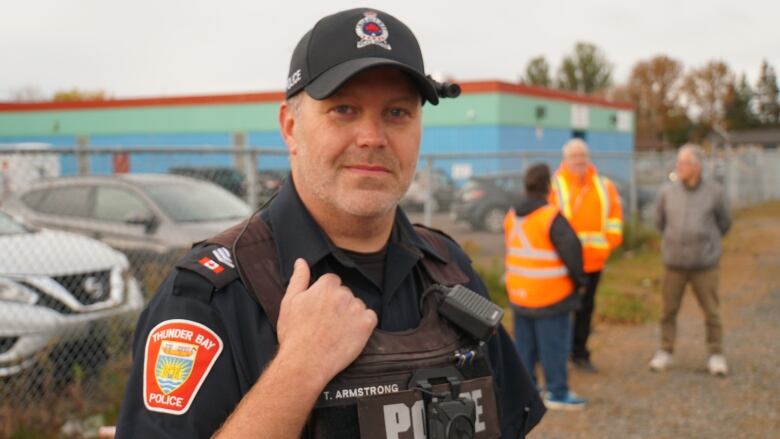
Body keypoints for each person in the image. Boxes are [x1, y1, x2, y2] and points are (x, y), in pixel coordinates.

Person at [116, 8, 544, 439]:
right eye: (343, 109)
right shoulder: (209, 297)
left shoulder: (450, 270)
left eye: (397, 113)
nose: (372, 137)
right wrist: (298, 368)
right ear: (289, 127)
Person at [504, 163, 587, 410]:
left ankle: (528, 392)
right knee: (554, 347)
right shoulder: (551, 217)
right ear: (548, 187)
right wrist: (580, 282)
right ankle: (557, 392)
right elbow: (572, 252)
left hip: (520, 293)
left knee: (524, 348)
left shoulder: (511, 215)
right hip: (551, 295)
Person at [649, 144, 731, 376]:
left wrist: (707, 246)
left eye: (684, 163)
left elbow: (724, 222)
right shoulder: (667, 191)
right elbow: (659, 222)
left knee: (711, 311)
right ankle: (665, 350)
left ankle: (716, 354)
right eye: (678, 162)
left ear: (697, 166)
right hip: (674, 264)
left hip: (704, 265)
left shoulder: (714, 192)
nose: (679, 167)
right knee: (667, 311)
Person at [549, 138, 623, 373]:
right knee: (558, 311)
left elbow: (615, 218)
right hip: (562, 264)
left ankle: (579, 353)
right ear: (565, 160)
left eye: (582, 156)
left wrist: (607, 245)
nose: (579, 161)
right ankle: (555, 354)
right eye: (574, 157)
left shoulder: (604, 185)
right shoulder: (555, 185)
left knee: (585, 310)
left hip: (593, 262)